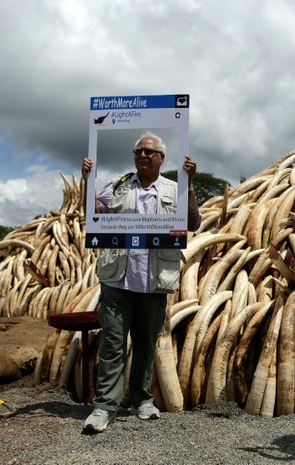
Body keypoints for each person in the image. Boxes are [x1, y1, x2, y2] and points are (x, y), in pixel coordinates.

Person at [80, 132, 201, 434]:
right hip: (118, 278)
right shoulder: (118, 186)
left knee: (146, 345)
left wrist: (190, 186)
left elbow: (193, 223)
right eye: (138, 152)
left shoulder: (175, 190)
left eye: (149, 152)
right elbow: (92, 213)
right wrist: (87, 180)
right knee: (112, 344)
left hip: (154, 279)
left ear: (162, 158)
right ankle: (104, 406)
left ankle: (141, 400)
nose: (143, 156)